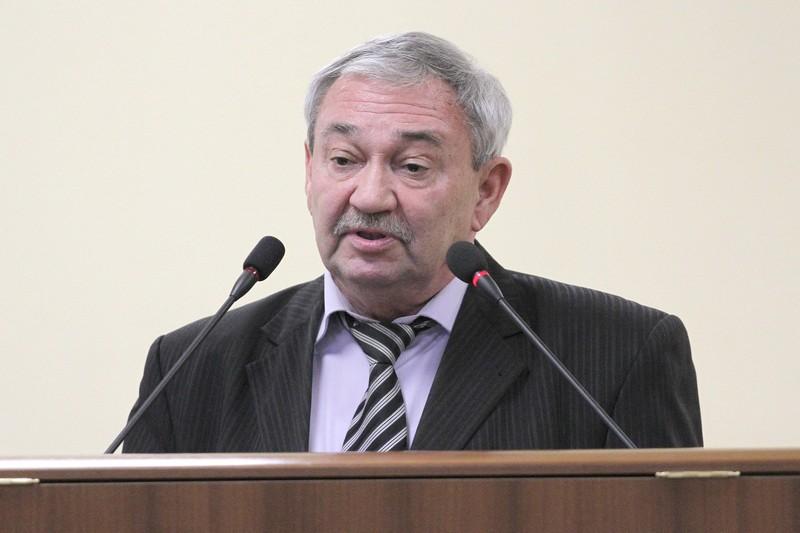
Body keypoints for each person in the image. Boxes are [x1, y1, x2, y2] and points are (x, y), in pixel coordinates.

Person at [122, 32, 702, 453]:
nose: (370, 196)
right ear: (309, 169)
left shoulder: (618, 356)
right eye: (344, 159)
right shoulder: (191, 369)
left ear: (486, 191)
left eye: (414, 166)